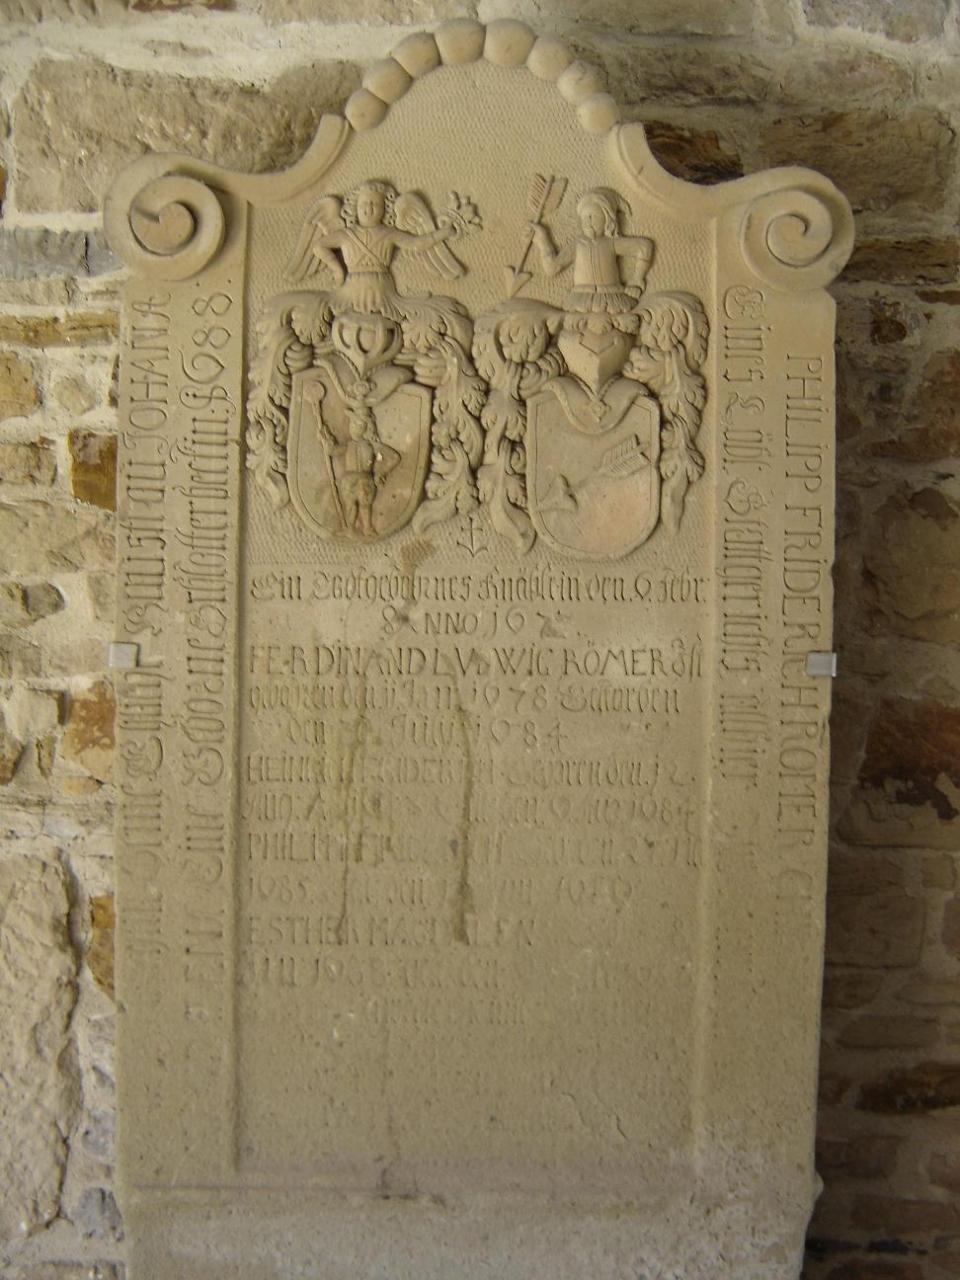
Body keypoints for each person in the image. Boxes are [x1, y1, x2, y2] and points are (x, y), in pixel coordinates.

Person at [528, 188, 653, 315]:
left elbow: (645, 247)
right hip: (581, 299)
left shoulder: (612, 243)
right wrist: (543, 240)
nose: (589, 222)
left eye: (594, 216)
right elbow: (552, 268)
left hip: (611, 298)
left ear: (608, 220)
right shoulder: (578, 245)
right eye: (585, 217)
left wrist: (637, 279)